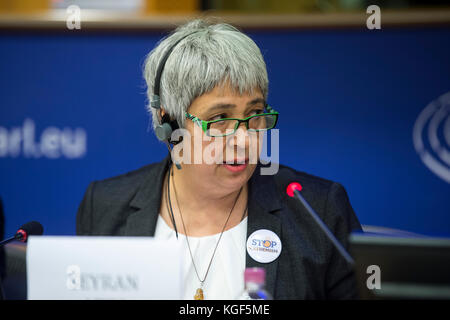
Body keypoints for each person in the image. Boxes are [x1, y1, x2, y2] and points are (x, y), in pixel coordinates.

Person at [76, 18, 362, 300]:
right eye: (219, 119)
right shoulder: (105, 207)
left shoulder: (319, 211)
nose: (243, 139)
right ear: (171, 125)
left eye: (254, 114)